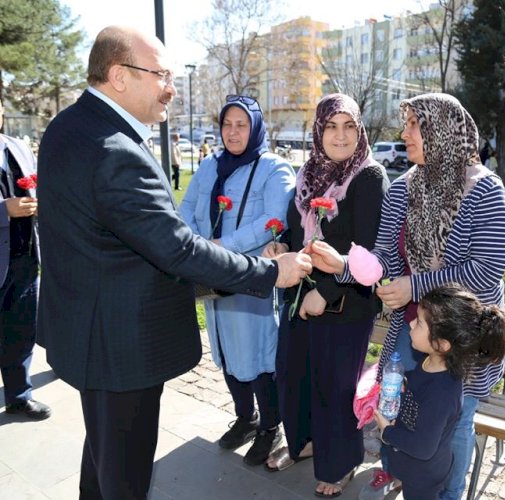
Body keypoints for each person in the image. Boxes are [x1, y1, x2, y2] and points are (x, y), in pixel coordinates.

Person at [36, 26, 312, 499]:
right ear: (120, 76)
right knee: (123, 474)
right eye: (161, 74)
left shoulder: (69, 127)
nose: (171, 86)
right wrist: (271, 272)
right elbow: (179, 248)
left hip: (90, 335)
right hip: (121, 348)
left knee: (102, 460)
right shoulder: (114, 150)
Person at [310, 93, 505, 500]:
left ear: (444, 131)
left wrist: (414, 287)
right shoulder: (403, 188)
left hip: (458, 337)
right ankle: (400, 469)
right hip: (414, 326)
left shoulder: (485, 190)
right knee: (397, 401)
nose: (405, 134)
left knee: (452, 424)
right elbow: (384, 257)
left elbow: (486, 272)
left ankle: (447, 493)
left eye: (415, 125)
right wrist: (344, 267)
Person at [262, 93, 389, 498]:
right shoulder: (308, 174)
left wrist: (329, 292)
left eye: (349, 126)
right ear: (318, 130)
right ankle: (303, 444)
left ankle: (341, 462)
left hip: (346, 303)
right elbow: (297, 230)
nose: (340, 135)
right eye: (332, 126)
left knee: (335, 387)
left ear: (360, 130)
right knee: (293, 374)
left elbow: (369, 250)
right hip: (299, 296)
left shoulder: (368, 178)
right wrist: (281, 246)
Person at [179, 95, 296, 465]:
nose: (233, 131)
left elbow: (274, 219)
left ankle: (269, 426)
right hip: (213, 276)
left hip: (250, 277)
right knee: (227, 354)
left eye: (241, 124)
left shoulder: (274, 168)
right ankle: (246, 418)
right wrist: (197, 247)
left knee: (258, 356)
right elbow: (186, 209)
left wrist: (221, 248)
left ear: (256, 126)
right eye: (227, 124)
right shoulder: (210, 164)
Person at [372, 283, 505, 499]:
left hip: (423, 473)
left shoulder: (443, 392)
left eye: (419, 323)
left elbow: (423, 447)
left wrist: (386, 431)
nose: (410, 323)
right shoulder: (429, 362)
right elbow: (421, 390)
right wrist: (404, 385)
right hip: (413, 467)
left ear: (442, 344)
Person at [0, 101, 50, 420]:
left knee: (20, 330)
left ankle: (19, 395)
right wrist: (4, 208)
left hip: (25, 254)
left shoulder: (16, 146)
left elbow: (37, 184)